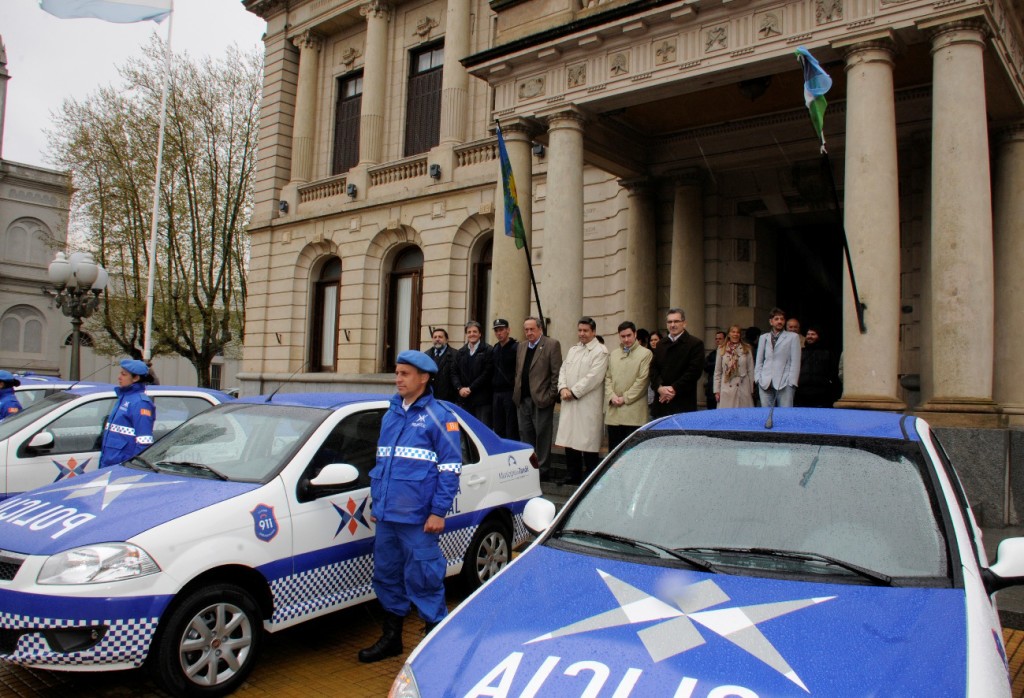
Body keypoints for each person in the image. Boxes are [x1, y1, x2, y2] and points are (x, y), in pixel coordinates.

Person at [359, 350, 462, 663]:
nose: (398, 379)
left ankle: (435, 642)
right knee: (387, 576)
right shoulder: (391, 414)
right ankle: (392, 639)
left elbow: (450, 467)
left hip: (419, 519)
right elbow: (383, 464)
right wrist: (379, 504)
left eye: (405, 374)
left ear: (424, 377)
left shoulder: (440, 416)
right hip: (389, 517)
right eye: (397, 373)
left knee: (425, 577)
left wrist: (437, 512)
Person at [555, 317, 609, 485]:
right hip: (569, 401)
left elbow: (594, 377)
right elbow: (563, 369)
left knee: (587, 441)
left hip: (586, 403)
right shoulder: (574, 350)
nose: (582, 334)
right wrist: (563, 388)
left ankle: (591, 477)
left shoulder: (601, 351)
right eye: (580, 330)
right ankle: (573, 474)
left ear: (593, 332)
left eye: (585, 331)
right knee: (569, 439)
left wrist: (574, 391)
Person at [513, 317, 563, 480]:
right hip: (523, 399)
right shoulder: (521, 346)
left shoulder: (551, 345)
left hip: (542, 399)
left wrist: (550, 396)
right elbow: (519, 372)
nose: (529, 333)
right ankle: (529, 466)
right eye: (526, 330)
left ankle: (542, 469)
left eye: (532, 329)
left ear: (540, 329)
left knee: (542, 434)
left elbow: (556, 374)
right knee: (525, 434)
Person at [98, 359, 156, 468]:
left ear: (136, 378)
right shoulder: (124, 397)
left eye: (124, 374)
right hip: (110, 463)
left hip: (122, 467)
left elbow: (144, 442)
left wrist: (132, 468)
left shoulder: (140, 403)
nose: (119, 377)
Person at [604, 321, 652, 452]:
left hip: (634, 414)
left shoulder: (646, 354)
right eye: (623, 336)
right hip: (614, 413)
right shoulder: (614, 354)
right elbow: (607, 378)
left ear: (635, 334)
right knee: (613, 453)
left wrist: (625, 398)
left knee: (632, 453)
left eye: (629, 335)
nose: (626, 339)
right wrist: (612, 396)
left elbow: (642, 381)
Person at [650, 308, 705, 417]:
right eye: (669, 322)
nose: (673, 325)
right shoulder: (661, 344)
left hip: (683, 401)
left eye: (676, 321)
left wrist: (673, 389)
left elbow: (694, 372)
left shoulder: (695, 344)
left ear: (684, 323)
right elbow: (653, 369)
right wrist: (659, 388)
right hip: (661, 401)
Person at [754, 308, 802, 408]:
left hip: (785, 381)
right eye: (776, 319)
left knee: (785, 415)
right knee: (766, 415)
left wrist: (791, 382)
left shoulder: (793, 337)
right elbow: (759, 360)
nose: (779, 321)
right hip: (765, 381)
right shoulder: (764, 337)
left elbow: (795, 362)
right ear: (771, 322)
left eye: (782, 319)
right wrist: (758, 378)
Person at [452, 321, 493, 426]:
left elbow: (487, 373)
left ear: (480, 334)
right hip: (464, 399)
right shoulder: (460, 352)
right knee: (467, 432)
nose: (472, 334)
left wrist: (471, 388)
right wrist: (459, 388)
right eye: (469, 332)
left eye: (475, 331)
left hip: (482, 400)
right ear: (466, 335)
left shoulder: (488, 350)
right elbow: (454, 372)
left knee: (481, 431)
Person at [490, 319, 519, 439]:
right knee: (498, 427)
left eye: (501, 330)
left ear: (508, 330)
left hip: (510, 393)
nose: (499, 333)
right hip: (496, 393)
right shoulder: (495, 349)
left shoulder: (516, 348)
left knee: (511, 427)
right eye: (496, 331)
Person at [796, 325, 838, 407]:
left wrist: (829, 381)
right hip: (802, 391)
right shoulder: (801, 352)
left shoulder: (827, 352)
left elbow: (833, 369)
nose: (810, 336)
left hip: (821, 392)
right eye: (808, 334)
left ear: (818, 336)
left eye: (813, 334)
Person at [714, 325, 755, 408]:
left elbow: (751, 370)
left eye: (738, 332)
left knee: (743, 415)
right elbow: (718, 371)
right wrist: (717, 390)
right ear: (729, 334)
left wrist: (751, 389)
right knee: (727, 415)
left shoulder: (747, 348)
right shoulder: (721, 349)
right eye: (733, 332)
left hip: (743, 386)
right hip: (726, 387)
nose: (735, 334)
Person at [424, 328, 457, 402]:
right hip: (430, 398)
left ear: (447, 339)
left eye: (440, 337)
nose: (437, 339)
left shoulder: (456, 355)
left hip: (449, 399)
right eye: (435, 337)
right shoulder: (426, 355)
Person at [704, 330, 726, 409]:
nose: (717, 340)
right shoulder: (713, 354)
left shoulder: (728, 353)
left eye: (720, 339)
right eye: (716, 339)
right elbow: (705, 366)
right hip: (711, 387)